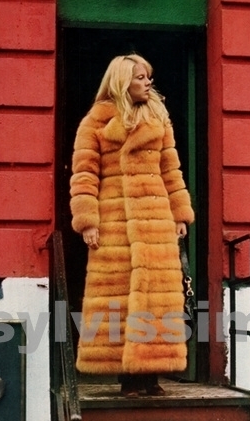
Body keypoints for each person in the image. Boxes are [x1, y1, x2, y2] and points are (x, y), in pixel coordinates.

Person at [70, 53, 195, 397]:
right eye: (140, 77)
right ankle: (127, 378)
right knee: (118, 302)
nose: (148, 82)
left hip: (155, 223)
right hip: (116, 223)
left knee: (156, 300)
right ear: (122, 81)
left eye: (148, 77)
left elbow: (172, 170)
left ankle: (151, 374)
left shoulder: (159, 117)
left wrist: (179, 214)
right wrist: (87, 222)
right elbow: (84, 175)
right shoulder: (94, 123)